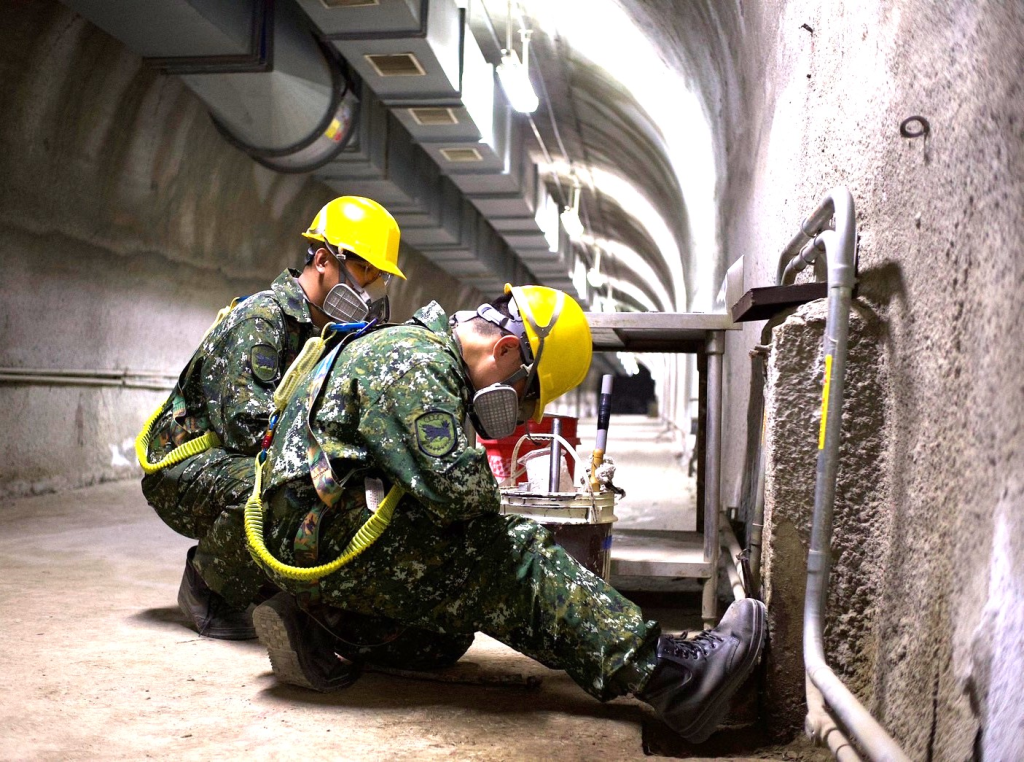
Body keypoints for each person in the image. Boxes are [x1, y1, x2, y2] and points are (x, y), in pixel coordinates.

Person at [245, 284, 768, 743]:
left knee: (445, 638)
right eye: (525, 392)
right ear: (506, 350)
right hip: (324, 542)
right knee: (511, 553)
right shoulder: (417, 365)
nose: (518, 412)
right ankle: (673, 677)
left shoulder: (411, 347)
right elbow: (464, 496)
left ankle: (330, 625)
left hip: (306, 535)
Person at [139, 196, 405, 640]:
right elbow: (247, 429)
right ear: (324, 260)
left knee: (335, 487)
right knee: (288, 488)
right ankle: (208, 588)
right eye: (365, 270)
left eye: (379, 277)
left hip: (233, 460)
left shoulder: (326, 333)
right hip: (184, 468)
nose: (371, 288)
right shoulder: (263, 318)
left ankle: (277, 583)